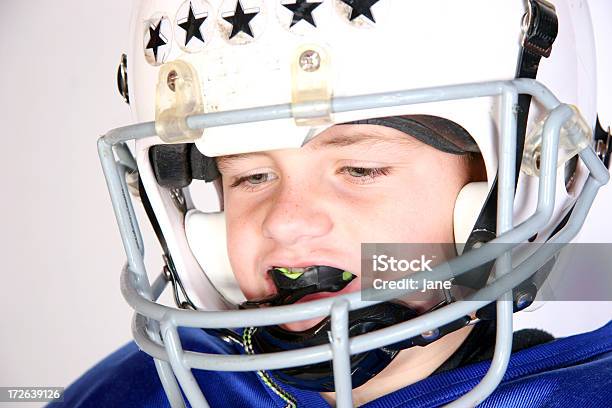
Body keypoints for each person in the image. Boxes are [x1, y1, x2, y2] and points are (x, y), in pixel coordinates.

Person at [53, 0, 612, 406]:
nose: (287, 221)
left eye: (360, 169)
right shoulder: (140, 391)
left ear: (515, 186)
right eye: (249, 177)